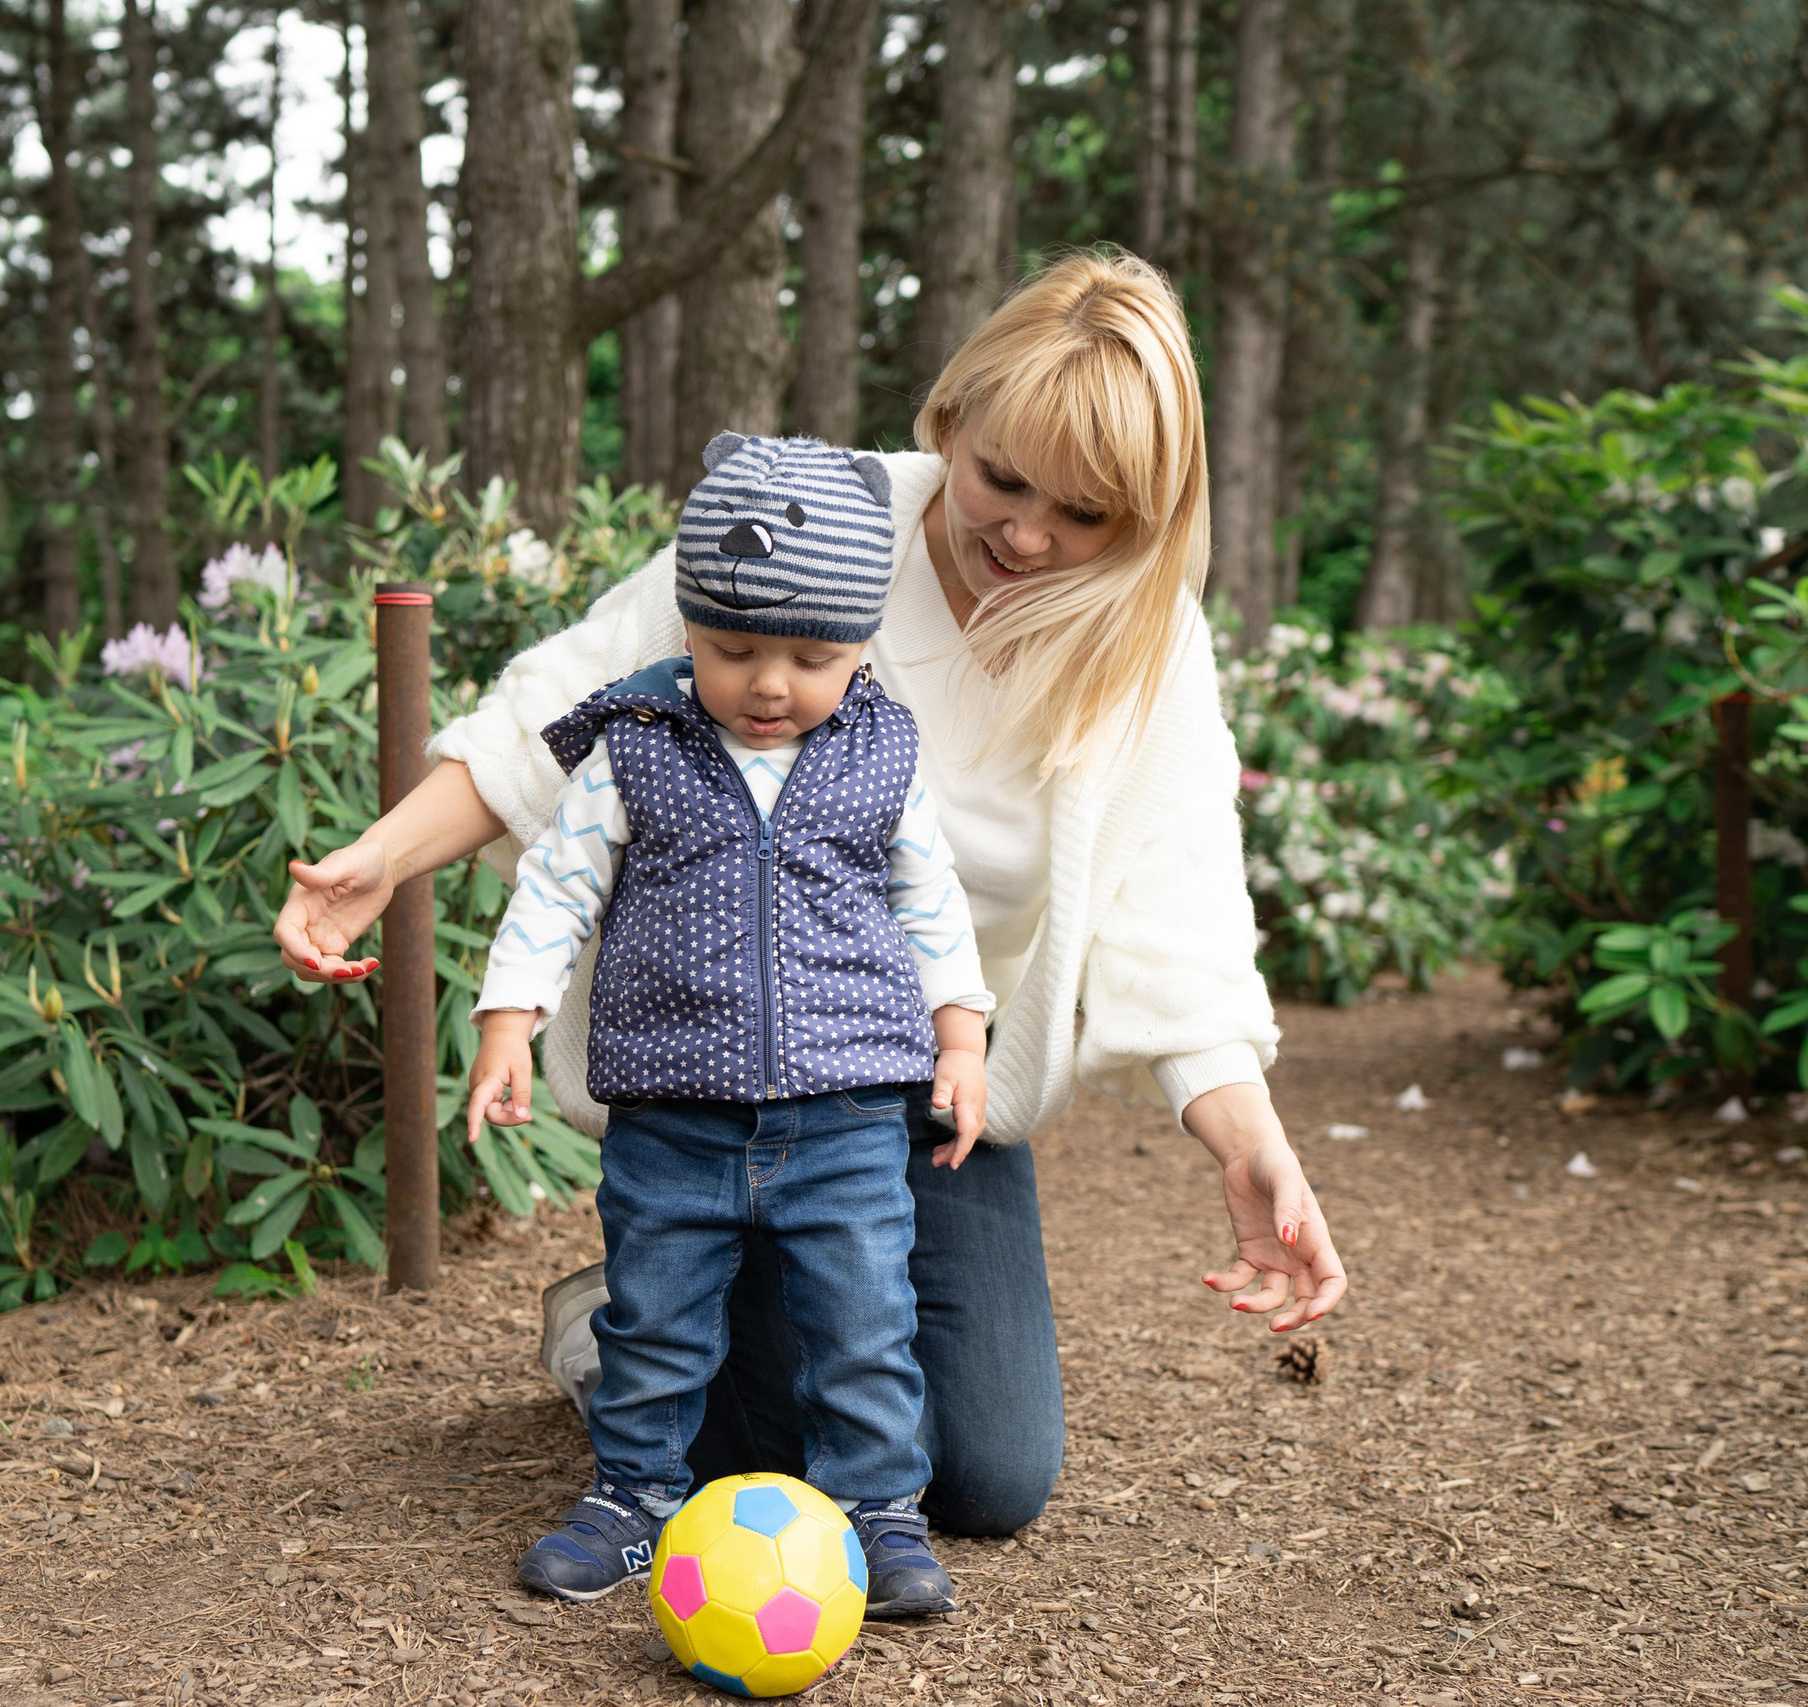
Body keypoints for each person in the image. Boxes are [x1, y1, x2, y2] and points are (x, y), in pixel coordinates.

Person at [277, 249, 1350, 1543]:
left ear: (1149, 514)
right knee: (755, 1452)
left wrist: (1248, 1143)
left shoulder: (1144, 636)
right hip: (713, 1067)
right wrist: (379, 860)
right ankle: (649, 1311)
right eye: (1002, 479)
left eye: (1083, 513)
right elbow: (555, 723)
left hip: (914, 1087)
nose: (1024, 533)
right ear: (951, 418)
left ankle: (709, 1305)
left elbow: (1177, 914)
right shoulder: (810, 519)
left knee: (985, 1474)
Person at [462, 431, 993, 1614]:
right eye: (732, 648)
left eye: (811, 656)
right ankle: (632, 1498)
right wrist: (509, 1019)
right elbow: (556, 884)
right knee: (654, 1317)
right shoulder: (636, 744)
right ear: (686, 630)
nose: (769, 683)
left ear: (860, 645)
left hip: (848, 1111)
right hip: (674, 1112)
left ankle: (878, 1511)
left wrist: (960, 1038)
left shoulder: (883, 748)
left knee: (864, 1321)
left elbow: (930, 899)